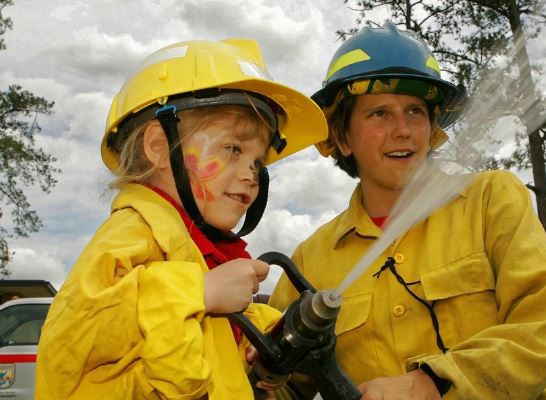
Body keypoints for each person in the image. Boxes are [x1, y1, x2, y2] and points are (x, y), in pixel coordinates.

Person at [269, 22, 546, 400]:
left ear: (432, 129)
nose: (404, 130)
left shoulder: (491, 199)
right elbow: (281, 384)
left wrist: (434, 382)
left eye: (415, 111)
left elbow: (542, 328)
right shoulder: (309, 261)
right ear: (343, 137)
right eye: (379, 113)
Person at [35, 38, 327, 399]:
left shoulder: (200, 253)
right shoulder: (131, 236)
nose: (252, 174)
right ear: (160, 147)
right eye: (233, 149)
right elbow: (74, 340)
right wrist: (198, 292)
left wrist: (265, 339)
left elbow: (204, 349)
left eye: (257, 161)